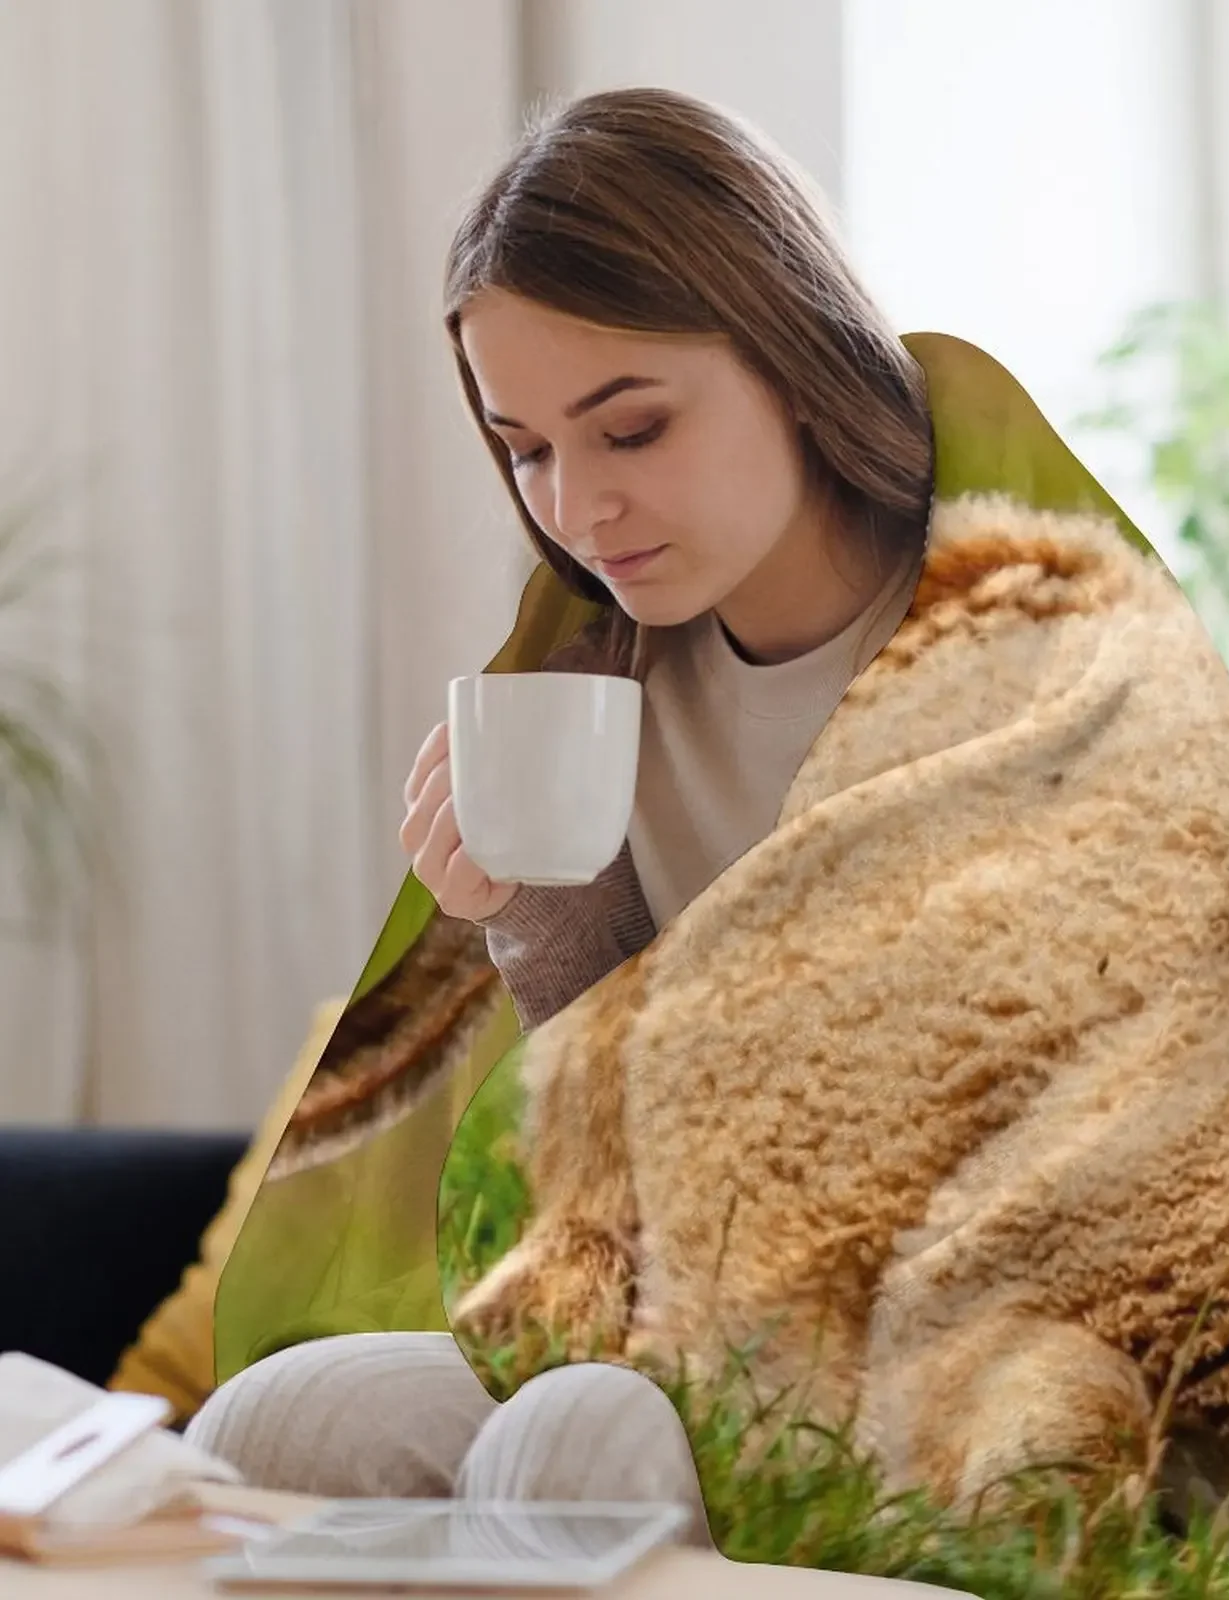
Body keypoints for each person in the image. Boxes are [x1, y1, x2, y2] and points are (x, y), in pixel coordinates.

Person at [186, 87, 933, 1538]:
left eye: (631, 429)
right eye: (526, 449)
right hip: (677, 1307)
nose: (578, 509)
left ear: (788, 351)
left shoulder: (1008, 627)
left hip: (949, 1329)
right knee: (272, 1424)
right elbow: (610, 1164)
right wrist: (533, 916)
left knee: (579, 1439)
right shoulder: (602, 673)